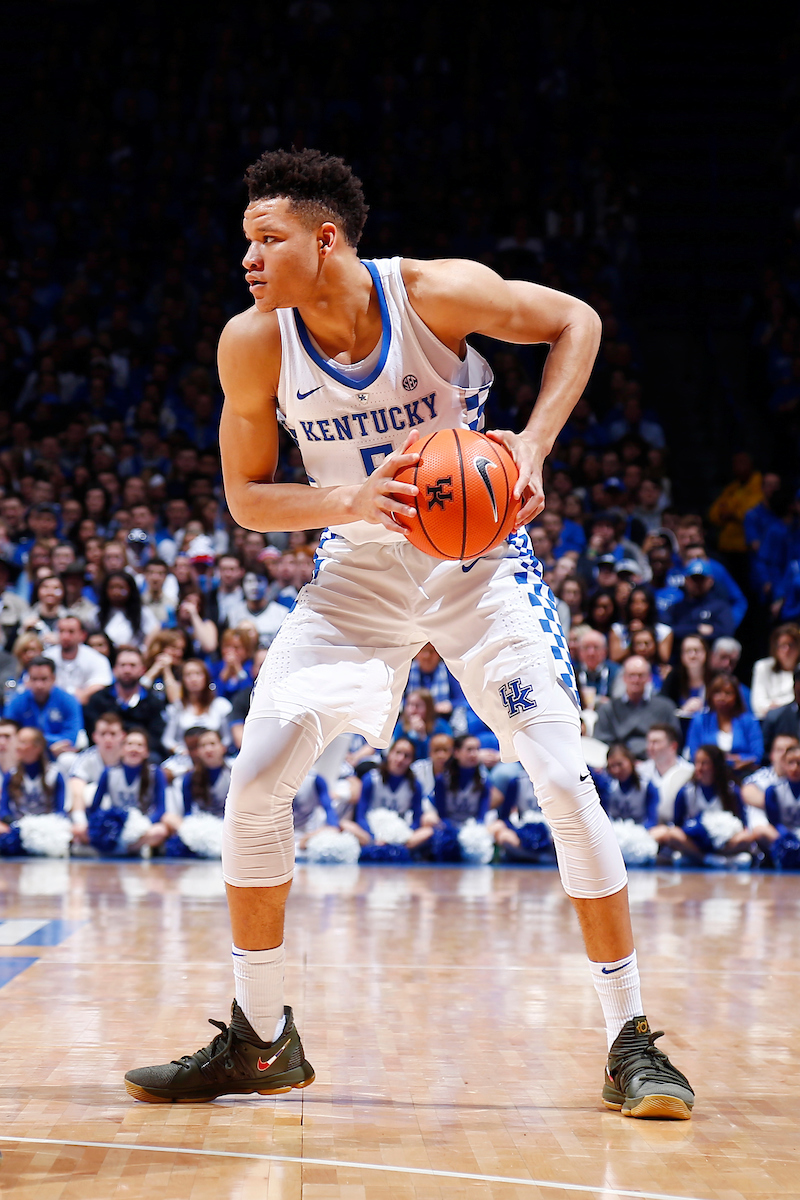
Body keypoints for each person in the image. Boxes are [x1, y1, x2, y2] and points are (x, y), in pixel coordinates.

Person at [125, 147, 693, 1119]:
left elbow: (574, 321)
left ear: (325, 237)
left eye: (268, 239)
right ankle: (261, 1041)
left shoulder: (428, 295)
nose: (250, 259)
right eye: (246, 241)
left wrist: (531, 442)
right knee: (255, 778)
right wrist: (349, 495)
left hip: (480, 570)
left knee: (560, 775)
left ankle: (628, 1041)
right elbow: (246, 499)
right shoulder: (251, 343)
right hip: (355, 576)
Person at [656, 744, 750, 862]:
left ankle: (720, 856)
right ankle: (706, 858)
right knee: (673, 834)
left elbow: (743, 825)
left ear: (716, 766)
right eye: (697, 763)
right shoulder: (686, 791)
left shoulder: (731, 791)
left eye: (704, 763)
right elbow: (677, 825)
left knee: (747, 837)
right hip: (696, 842)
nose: (699, 768)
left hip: (724, 842)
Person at [87, 729, 174, 855]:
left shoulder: (155, 773)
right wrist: (102, 825)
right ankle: (132, 847)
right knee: (80, 830)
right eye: (130, 744)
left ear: (147, 752)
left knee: (160, 831)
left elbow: (161, 808)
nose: (134, 748)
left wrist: (141, 825)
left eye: (140, 745)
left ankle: (124, 849)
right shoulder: (109, 772)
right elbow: (95, 806)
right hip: (116, 826)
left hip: (143, 826)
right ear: (122, 750)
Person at [83, 645, 167, 756]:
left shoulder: (153, 702)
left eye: (132, 665)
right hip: (104, 753)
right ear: (114, 669)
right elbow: (91, 731)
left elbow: (155, 736)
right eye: (122, 665)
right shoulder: (98, 699)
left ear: (142, 670)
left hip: (140, 755)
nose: (127, 670)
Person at [594, 657, 679, 758]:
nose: (636, 680)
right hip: (620, 765)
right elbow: (601, 742)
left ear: (649, 678)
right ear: (624, 678)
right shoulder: (608, 709)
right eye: (631, 675)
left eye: (640, 675)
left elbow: (674, 740)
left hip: (656, 762)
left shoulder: (666, 707)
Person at [684, 673, 764, 777]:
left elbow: (757, 755)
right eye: (717, 693)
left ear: (736, 696)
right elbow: (694, 753)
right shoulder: (700, 720)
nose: (722, 697)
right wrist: (727, 760)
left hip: (743, 774)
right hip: (708, 775)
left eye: (728, 693)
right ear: (710, 695)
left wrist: (739, 759)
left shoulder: (748, 721)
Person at [5, 656, 83, 757]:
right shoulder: (17, 701)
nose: (39, 685)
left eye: (44, 679)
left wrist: (30, 741)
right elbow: (8, 732)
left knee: (67, 759)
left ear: (53, 678)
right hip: (24, 755)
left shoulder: (69, 701)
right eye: (34, 679)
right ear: (28, 679)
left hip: (57, 754)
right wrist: (45, 742)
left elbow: (71, 737)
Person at [68, 711, 126, 843]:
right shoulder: (86, 759)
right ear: (94, 736)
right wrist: (81, 822)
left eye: (113, 734)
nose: (108, 739)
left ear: (122, 736)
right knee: (89, 791)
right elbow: (76, 792)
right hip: (92, 816)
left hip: (123, 811)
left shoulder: (130, 759)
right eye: (103, 734)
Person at [161, 658, 232, 753]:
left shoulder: (221, 705)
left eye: (198, 674)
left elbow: (227, 738)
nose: (193, 679)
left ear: (206, 678)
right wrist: (180, 750)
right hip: (185, 757)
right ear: (182, 680)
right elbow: (167, 740)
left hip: (214, 757)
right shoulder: (176, 707)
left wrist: (217, 750)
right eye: (188, 675)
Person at [42, 615, 113, 705]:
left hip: (86, 707)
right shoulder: (46, 656)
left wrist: (84, 694)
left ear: (83, 635)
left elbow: (101, 683)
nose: (65, 636)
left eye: (71, 632)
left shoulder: (97, 659)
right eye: (61, 631)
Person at [637, 724, 694, 824]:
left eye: (656, 742)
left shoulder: (690, 772)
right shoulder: (640, 772)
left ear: (673, 746)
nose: (650, 747)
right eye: (648, 742)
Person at [750, 623, 800, 719]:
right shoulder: (762, 667)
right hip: (767, 720)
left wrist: (777, 707)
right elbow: (758, 704)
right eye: (782, 645)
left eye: (791, 645)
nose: (787, 650)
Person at [660, 634, 712, 716]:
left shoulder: (715, 678)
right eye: (688, 651)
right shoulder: (673, 677)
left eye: (696, 650)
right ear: (682, 656)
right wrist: (683, 710)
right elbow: (663, 708)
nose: (692, 655)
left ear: (705, 653)